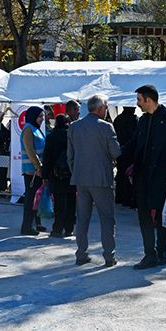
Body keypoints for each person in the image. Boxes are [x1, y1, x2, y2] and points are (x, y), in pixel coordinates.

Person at [123, 85, 166, 269]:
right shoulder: (142, 120)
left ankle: (161, 251)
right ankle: (149, 254)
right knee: (143, 216)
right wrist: (114, 152)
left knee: (162, 215)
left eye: (139, 100)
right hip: (142, 176)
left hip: (162, 175)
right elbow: (133, 144)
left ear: (148, 100)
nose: (137, 104)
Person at [68, 95, 123, 266]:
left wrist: (76, 172)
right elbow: (116, 153)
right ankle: (109, 256)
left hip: (80, 178)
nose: (107, 110)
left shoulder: (74, 126)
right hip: (101, 179)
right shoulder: (107, 127)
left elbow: (70, 156)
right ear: (100, 108)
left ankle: (81, 254)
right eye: (106, 107)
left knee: (82, 218)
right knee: (107, 218)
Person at [42, 114, 75, 238]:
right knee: (71, 202)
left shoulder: (51, 137)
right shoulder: (71, 136)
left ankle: (57, 228)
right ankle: (69, 228)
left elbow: (47, 157)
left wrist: (45, 174)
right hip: (71, 174)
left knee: (59, 203)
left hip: (56, 174)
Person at [19, 106, 46, 236]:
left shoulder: (36, 129)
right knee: (30, 199)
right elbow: (30, 151)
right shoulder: (29, 129)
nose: (42, 119)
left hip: (37, 170)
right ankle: (26, 227)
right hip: (32, 171)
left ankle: (36, 223)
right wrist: (39, 167)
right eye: (40, 116)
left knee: (37, 199)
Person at [112, 106, 137, 207]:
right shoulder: (133, 120)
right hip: (130, 151)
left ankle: (119, 196)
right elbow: (135, 137)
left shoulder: (118, 119)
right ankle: (127, 198)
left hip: (119, 150)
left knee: (121, 173)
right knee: (129, 175)